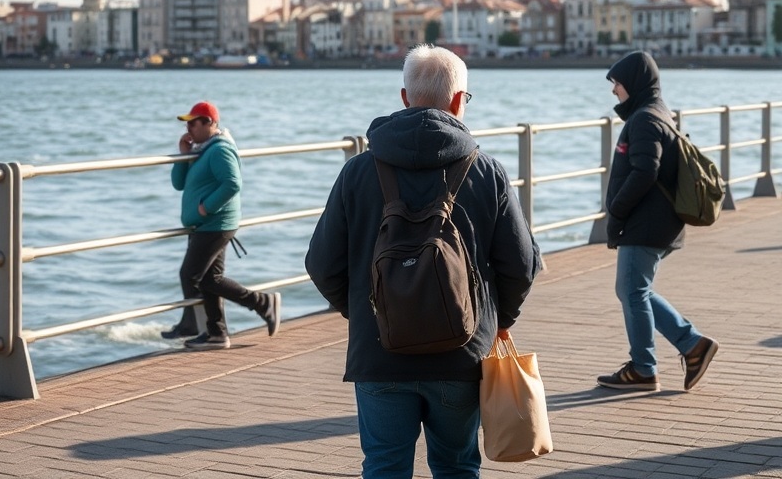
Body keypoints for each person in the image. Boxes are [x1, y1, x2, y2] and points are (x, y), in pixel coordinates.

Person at [305, 45, 541, 479]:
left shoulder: (358, 171)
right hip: (461, 353)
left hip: (379, 352)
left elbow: (321, 264)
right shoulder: (486, 171)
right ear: (457, 102)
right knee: (456, 466)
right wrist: (498, 319)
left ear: (404, 97)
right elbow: (521, 264)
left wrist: (367, 309)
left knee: (384, 466)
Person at [597, 50, 719, 392]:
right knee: (634, 289)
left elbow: (645, 171)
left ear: (633, 83)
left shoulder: (645, 120)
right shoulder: (657, 114)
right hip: (656, 222)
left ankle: (643, 368)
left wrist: (617, 211)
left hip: (647, 222)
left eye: (617, 83)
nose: (614, 91)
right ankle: (692, 345)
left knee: (632, 290)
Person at [164, 101, 281, 351]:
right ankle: (220, 331)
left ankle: (192, 325)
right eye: (187, 122)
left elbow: (232, 183)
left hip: (216, 224)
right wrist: (183, 154)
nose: (188, 127)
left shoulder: (219, 149)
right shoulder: (201, 150)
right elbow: (178, 183)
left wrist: (207, 207)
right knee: (210, 278)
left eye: (193, 122)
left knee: (190, 274)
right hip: (206, 225)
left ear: (210, 123)